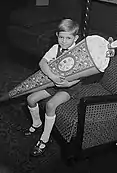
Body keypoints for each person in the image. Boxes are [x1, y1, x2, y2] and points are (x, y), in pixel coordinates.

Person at [24, 18, 81, 156]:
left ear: (76, 38)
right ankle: (37, 123)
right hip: (52, 83)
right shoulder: (56, 48)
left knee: (50, 105)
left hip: (69, 87)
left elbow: (81, 74)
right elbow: (42, 63)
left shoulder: (78, 51)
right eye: (61, 37)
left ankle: (45, 138)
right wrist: (53, 77)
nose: (64, 41)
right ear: (57, 36)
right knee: (31, 99)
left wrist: (68, 83)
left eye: (68, 38)